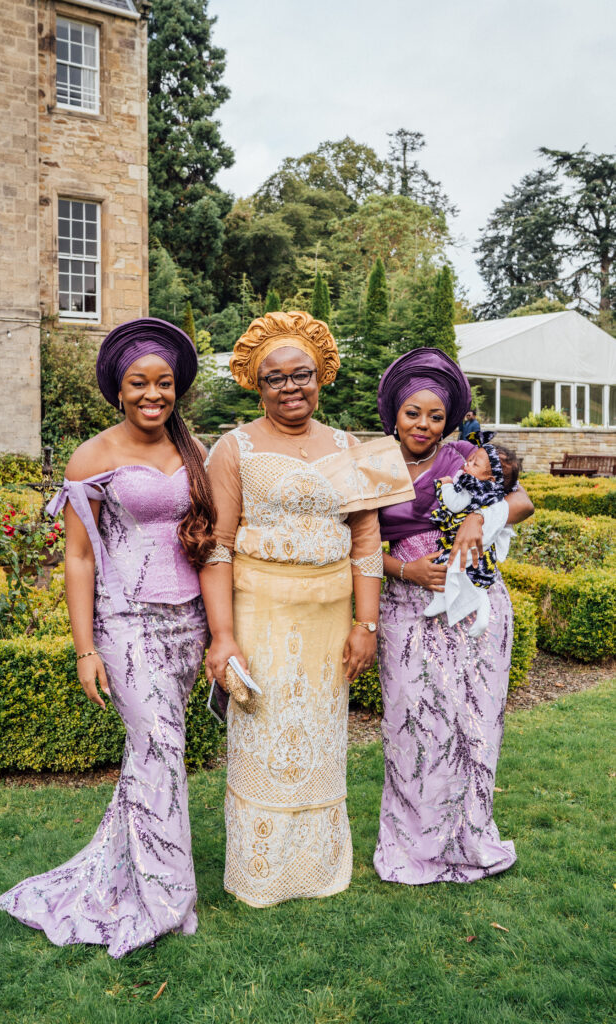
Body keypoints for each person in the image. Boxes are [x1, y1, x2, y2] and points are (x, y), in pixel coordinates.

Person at [0, 318, 216, 958]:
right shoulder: (93, 457)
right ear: (118, 391)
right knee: (160, 751)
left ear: (178, 388)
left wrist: (219, 631)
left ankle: (121, 874)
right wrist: (85, 648)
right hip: (127, 624)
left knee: (151, 759)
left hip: (188, 622)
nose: (154, 394)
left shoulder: (193, 449)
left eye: (165, 383)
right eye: (139, 383)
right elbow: (80, 559)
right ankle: (166, 902)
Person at [200, 311, 412, 908]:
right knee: (263, 734)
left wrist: (365, 625)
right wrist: (223, 637)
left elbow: (369, 543)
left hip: (328, 618)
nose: (291, 387)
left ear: (322, 377)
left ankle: (317, 867)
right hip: (259, 612)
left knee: (319, 736)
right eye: (276, 378)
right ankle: (260, 871)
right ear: (255, 382)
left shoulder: (355, 448)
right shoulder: (232, 448)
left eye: (303, 374)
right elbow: (217, 545)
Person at [373, 347, 534, 885]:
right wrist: (406, 571)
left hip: (474, 605)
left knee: (473, 720)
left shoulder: (466, 455)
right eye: (413, 413)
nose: (423, 425)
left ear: (449, 421)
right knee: (414, 722)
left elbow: (524, 502)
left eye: (435, 416)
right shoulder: (370, 464)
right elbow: (356, 549)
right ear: (394, 413)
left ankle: (468, 836)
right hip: (405, 605)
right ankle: (413, 845)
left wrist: (479, 519)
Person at [424, 437, 516, 638]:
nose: (467, 464)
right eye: (471, 460)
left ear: (491, 477)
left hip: (467, 544)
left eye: (475, 464)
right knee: (479, 583)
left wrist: (446, 486)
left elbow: (455, 504)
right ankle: (481, 616)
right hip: (482, 550)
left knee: (447, 566)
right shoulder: (495, 491)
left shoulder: (472, 484)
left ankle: (442, 598)